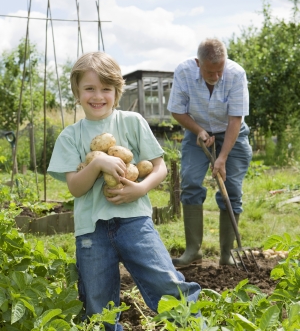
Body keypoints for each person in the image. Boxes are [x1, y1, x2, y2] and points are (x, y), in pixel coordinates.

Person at [47, 52, 201, 331]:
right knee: (98, 304)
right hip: (91, 232)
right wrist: (98, 163)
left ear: (117, 92)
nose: (98, 96)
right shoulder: (70, 136)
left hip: (135, 222)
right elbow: (75, 187)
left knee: (166, 282)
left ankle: (195, 326)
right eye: (89, 88)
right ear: (77, 91)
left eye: (106, 89)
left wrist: (140, 188)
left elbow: (159, 168)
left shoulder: (132, 121)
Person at [167, 38, 252, 267]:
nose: (215, 76)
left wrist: (222, 158)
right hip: (198, 131)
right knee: (191, 183)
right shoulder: (184, 72)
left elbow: (236, 119)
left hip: (231, 132)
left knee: (232, 189)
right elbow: (177, 110)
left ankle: (227, 254)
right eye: (209, 71)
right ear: (198, 63)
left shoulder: (236, 74)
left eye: (219, 70)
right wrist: (198, 130)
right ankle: (193, 251)